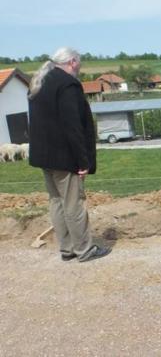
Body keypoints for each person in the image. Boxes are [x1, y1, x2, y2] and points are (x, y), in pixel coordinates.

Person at [28, 47, 111, 262]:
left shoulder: (42, 81)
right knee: (74, 203)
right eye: (79, 64)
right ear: (72, 62)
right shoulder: (68, 84)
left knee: (56, 202)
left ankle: (67, 249)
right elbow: (73, 125)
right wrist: (83, 161)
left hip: (45, 156)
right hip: (65, 157)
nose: (79, 68)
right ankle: (85, 249)